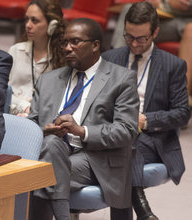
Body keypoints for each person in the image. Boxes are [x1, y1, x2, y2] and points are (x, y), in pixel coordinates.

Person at [28, 18, 139, 220]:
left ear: (95, 45)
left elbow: (127, 130)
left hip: (95, 156)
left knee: (36, 178)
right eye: (64, 43)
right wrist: (44, 129)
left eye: (75, 42)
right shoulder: (49, 80)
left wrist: (81, 131)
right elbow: (31, 124)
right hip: (52, 150)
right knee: (51, 145)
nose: (67, 48)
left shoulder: (121, 79)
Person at [102, 2, 190, 220]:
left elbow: (182, 113)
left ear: (155, 33)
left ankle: (141, 210)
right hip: (115, 131)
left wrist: (145, 120)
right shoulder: (111, 59)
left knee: (125, 148)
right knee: (122, 143)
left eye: (142, 38)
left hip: (152, 137)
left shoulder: (172, 65)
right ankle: (143, 211)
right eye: (129, 37)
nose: (134, 44)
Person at [111, 0, 192, 106]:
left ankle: (182, 96)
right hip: (167, 16)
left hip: (186, 21)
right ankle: (115, 71)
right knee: (129, 9)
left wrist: (168, 4)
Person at [8, 0, 66, 116]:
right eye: (27, 19)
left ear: (52, 25)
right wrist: (24, 106)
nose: (28, 25)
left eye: (34, 21)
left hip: (42, 116)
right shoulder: (16, 50)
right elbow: (1, 89)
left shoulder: (62, 58)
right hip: (11, 112)